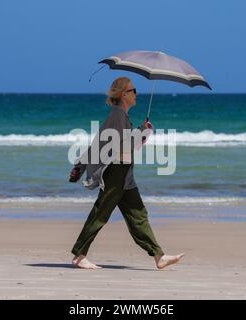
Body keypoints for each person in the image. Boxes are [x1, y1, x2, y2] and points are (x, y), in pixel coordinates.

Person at [69, 77, 185, 270]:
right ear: (124, 94)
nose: (137, 94)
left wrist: (141, 130)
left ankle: (159, 256)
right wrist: (143, 132)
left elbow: (115, 142)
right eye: (134, 91)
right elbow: (118, 145)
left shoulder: (121, 116)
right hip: (115, 173)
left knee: (138, 214)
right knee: (101, 213)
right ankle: (79, 255)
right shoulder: (117, 115)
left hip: (125, 174)